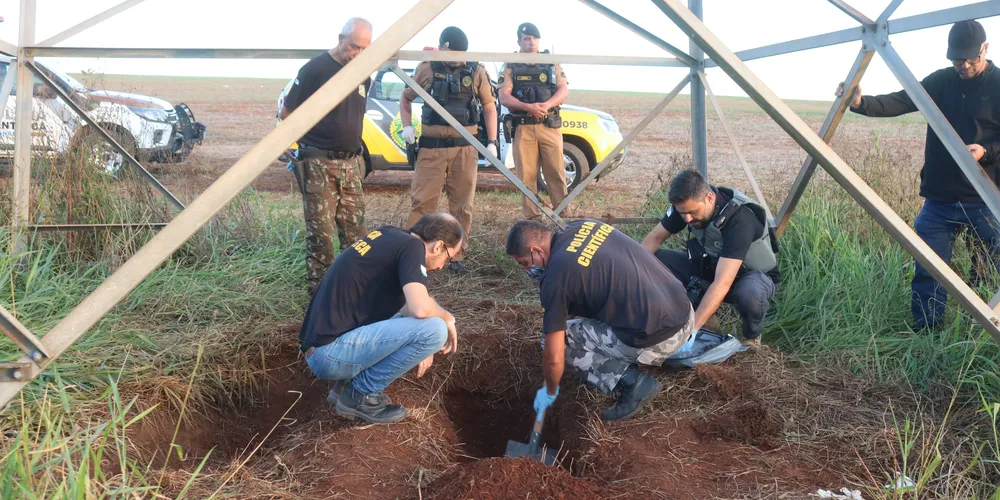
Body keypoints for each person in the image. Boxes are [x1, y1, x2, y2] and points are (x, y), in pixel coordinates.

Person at [835, 20, 1000, 329]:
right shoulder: (940, 81)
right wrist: (860, 103)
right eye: (956, 59)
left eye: (970, 59)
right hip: (940, 198)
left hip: (986, 200)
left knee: (990, 270)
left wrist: (986, 151)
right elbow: (902, 100)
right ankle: (928, 332)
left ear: (985, 49)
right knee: (930, 268)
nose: (963, 65)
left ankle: (981, 333)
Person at [506, 219, 695, 421]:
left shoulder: (555, 278)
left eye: (525, 263)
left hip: (660, 337)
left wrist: (550, 391)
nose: (527, 270)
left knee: (557, 342)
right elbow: (570, 304)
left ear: (537, 250)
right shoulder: (583, 226)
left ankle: (631, 382)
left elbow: (553, 356)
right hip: (685, 312)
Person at [298, 212, 463, 425]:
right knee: (436, 330)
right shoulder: (414, 247)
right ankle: (360, 395)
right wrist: (447, 318)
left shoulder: (390, 235)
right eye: (448, 258)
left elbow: (407, 306)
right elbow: (420, 307)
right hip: (329, 354)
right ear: (439, 246)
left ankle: (343, 387)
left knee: (426, 325)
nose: (441, 266)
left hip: (322, 347)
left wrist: (422, 335)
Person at [280, 18, 373, 294]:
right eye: (354, 46)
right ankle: (320, 298)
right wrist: (289, 142)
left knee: (356, 234)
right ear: (340, 38)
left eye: (364, 49)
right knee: (321, 236)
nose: (357, 54)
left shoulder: (363, 72)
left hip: (351, 164)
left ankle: (355, 292)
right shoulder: (315, 69)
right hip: (318, 163)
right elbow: (287, 112)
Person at [641, 170, 780, 347]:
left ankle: (751, 338)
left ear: (709, 198)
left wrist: (691, 331)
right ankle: (708, 323)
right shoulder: (685, 208)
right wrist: (628, 274)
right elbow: (653, 240)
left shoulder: (739, 219)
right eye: (682, 213)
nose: (687, 218)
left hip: (750, 277)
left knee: (750, 293)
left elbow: (723, 282)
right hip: (711, 268)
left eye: (692, 212)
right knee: (653, 260)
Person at [400, 26, 499, 274]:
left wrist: (493, 141)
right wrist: (406, 127)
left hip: (465, 149)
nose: (456, 57)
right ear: (442, 47)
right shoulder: (427, 68)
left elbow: (489, 106)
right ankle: (414, 255)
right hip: (431, 150)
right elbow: (406, 98)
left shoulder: (475, 70)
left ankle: (457, 256)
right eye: (451, 52)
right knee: (423, 203)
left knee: (462, 205)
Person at [498, 22, 572, 220]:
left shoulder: (550, 62)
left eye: (534, 39)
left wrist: (546, 105)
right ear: (519, 42)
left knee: (556, 175)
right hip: (524, 128)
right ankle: (533, 222)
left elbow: (563, 90)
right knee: (527, 179)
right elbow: (504, 97)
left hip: (549, 125)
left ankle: (563, 220)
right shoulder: (511, 65)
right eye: (527, 39)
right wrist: (528, 107)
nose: (531, 43)